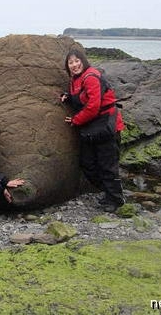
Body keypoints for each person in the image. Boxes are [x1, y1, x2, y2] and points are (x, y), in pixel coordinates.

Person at [60, 49, 126, 212]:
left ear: (83, 61)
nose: (74, 65)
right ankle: (107, 192)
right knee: (88, 163)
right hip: (91, 128)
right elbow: (81, 97)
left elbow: (93, 106)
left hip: (106, 125)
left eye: (77, 61)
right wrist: (67, 96)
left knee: (107, 164)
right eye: (71, 62)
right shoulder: (75, 79)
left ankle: (116, 199)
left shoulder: (90, 77)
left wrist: (76, 120)